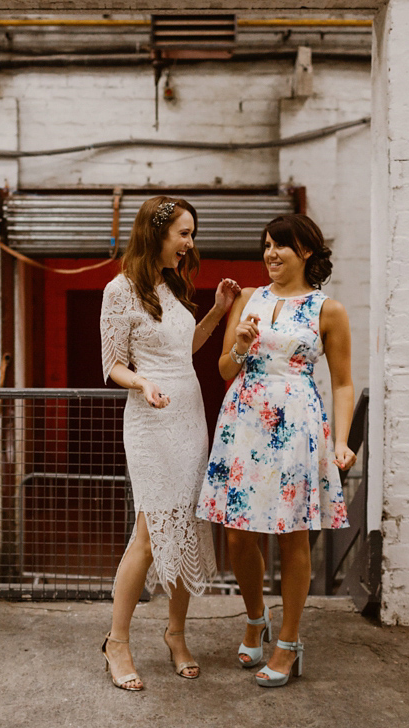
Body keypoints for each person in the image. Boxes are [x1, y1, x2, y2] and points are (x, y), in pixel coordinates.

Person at [196, 213, 355, 688]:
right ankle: (253, 618)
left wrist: (341, 441)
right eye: (265, 245)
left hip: (296, 423)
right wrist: (241, 345)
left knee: (293, 535)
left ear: (305, 251)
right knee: (239, 534)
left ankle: (289, 642)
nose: (269, 254)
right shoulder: (247, 299)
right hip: (244, 420)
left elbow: (343, 383)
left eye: (279, 246)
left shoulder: (330, 310)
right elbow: (225, 368)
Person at [98, 195, 240, 691]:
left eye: (191, 234)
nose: (190, 243)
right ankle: (117, 642)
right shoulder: (120, 290)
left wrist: (220, 310)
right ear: (156, 233)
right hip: (150, 421)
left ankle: (176, 634)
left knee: (186, 525)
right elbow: (112, 363)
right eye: (184, 233)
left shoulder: (171, 285)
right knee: (150, 529)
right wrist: (142, 384)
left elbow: (187, 349)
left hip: (188, 417)